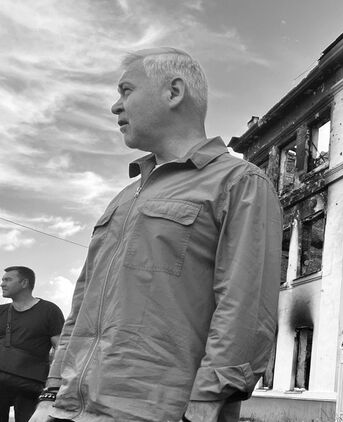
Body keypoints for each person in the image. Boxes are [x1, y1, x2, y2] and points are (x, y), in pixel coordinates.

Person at [29, 48, 282, 422]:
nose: (115, 106)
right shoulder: (123, 197)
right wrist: (51, 395)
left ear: (174, 92)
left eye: (126, 91)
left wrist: (206, 405)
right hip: (69, 411)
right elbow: (81, 306)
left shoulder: (239, 183)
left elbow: (246, 307)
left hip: (160, 413)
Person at [0, 266, 64, 422]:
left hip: (31, 386)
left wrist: (53, 386)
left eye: (8, 279)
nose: (2, 284)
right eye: (2, 280)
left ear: (24, 283)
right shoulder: (1, 311)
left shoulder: (49, 310)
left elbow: (61, 349)